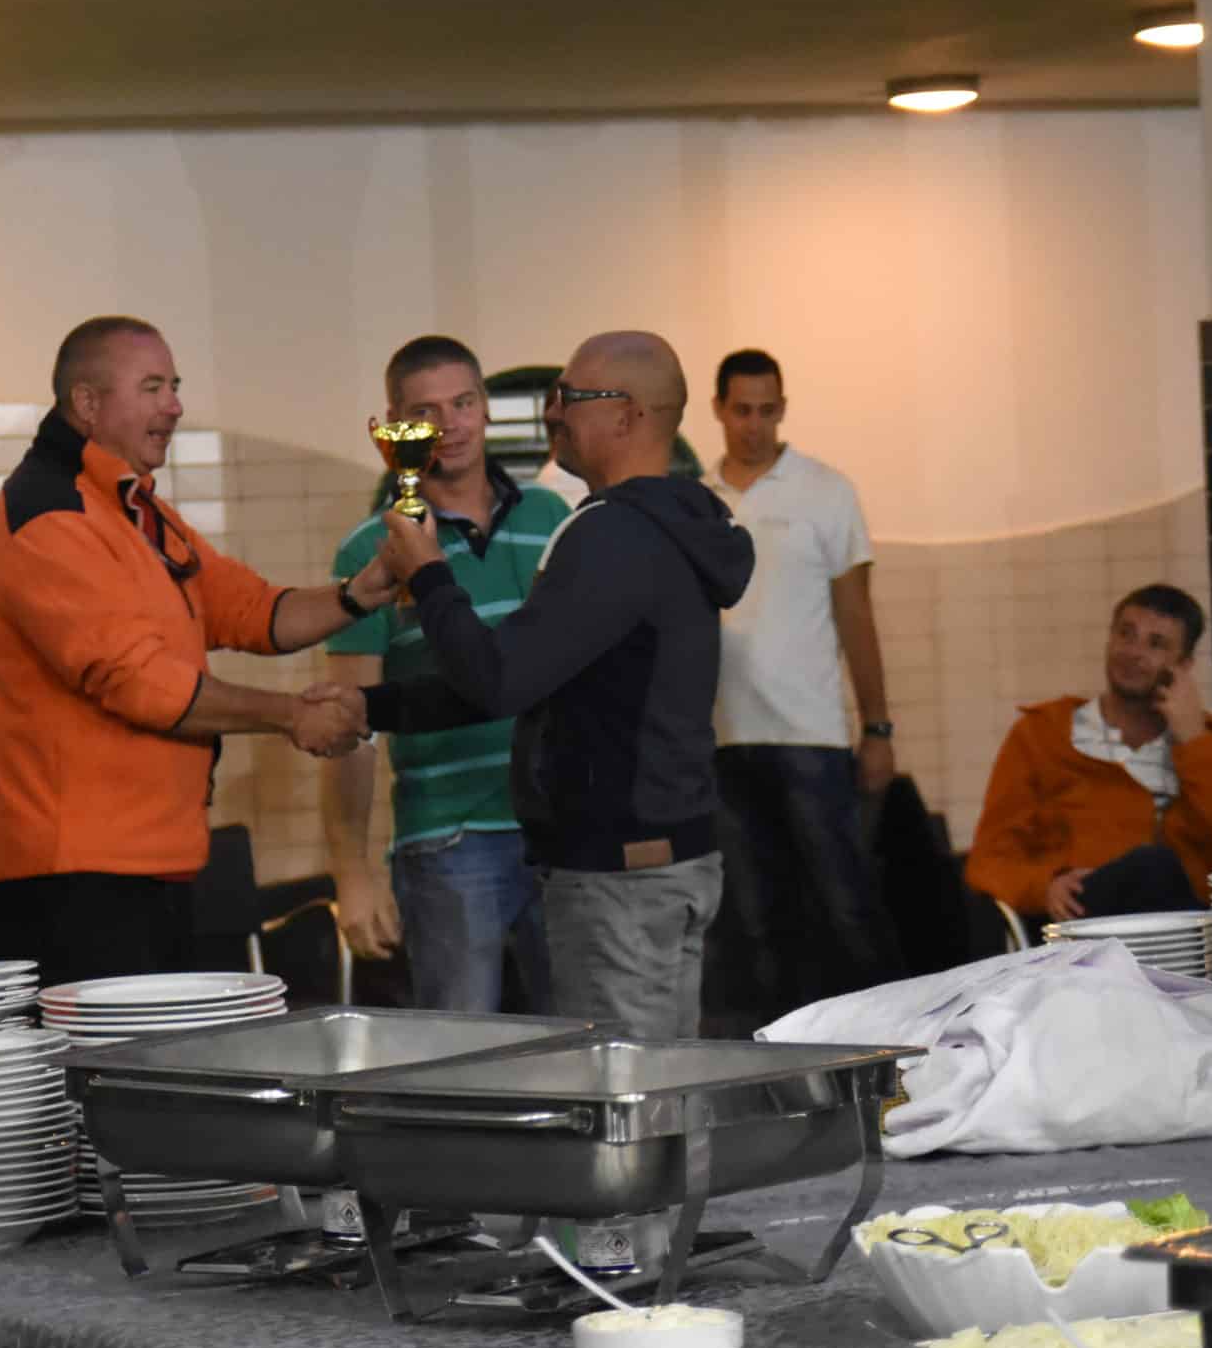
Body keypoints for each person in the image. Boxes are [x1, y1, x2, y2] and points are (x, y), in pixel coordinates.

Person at [348, 330, 754, 1039]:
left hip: (622, 880)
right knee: (659, 1079)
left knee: (628, 1089)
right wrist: (366, 704)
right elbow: (535, 676)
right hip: (656, 865)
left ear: (627, 414)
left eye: (569, 396)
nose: (552, 411)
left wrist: (429, 575)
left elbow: (499, 680)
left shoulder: (612, 535)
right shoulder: (657, 524)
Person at [0, 316, 387, 984]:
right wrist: (290, 715)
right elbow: (138, 682)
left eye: (176, 386)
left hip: (151, 863)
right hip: (73, 877)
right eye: (153, 387)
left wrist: (362, 592)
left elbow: (248, 609)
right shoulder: (48, 513)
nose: (175, 406)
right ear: (87, 403)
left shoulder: (129, 507)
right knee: (110, 1055)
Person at [320, 335, 569, 1011]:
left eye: (462, 402)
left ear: (486, 407)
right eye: (425, 412)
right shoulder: (372, 549)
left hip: (561, 832)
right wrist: (352, 873)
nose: (450, 424)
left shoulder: (553, 519)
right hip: (448, 842)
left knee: (582, 1043)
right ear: (394, 426)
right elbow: (348, 722)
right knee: (462, 1055)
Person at [705, 346, 903, 1018]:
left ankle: (889, 1043)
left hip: (811, 738)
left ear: (783, 409)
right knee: (752, 922)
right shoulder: (699, 501)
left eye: (767, 411)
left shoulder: (827, 491)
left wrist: (877, 729)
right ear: (718, 409)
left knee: (845, 908)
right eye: (742, 410)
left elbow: (857, 617)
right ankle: (775, 1055)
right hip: (724, 742)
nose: (754, 426)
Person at [966, 585, 1212, 924]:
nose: (1133, 652)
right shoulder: (1042, 734)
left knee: (1157, 867)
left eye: (1156, 644)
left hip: (1186, 923)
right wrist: (1045, 885)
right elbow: (988, 860)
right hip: (1080, 917)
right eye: (1126, 634)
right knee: (1151, 864)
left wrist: (1193, 741)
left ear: (1183, 665)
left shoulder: (1211, 743)